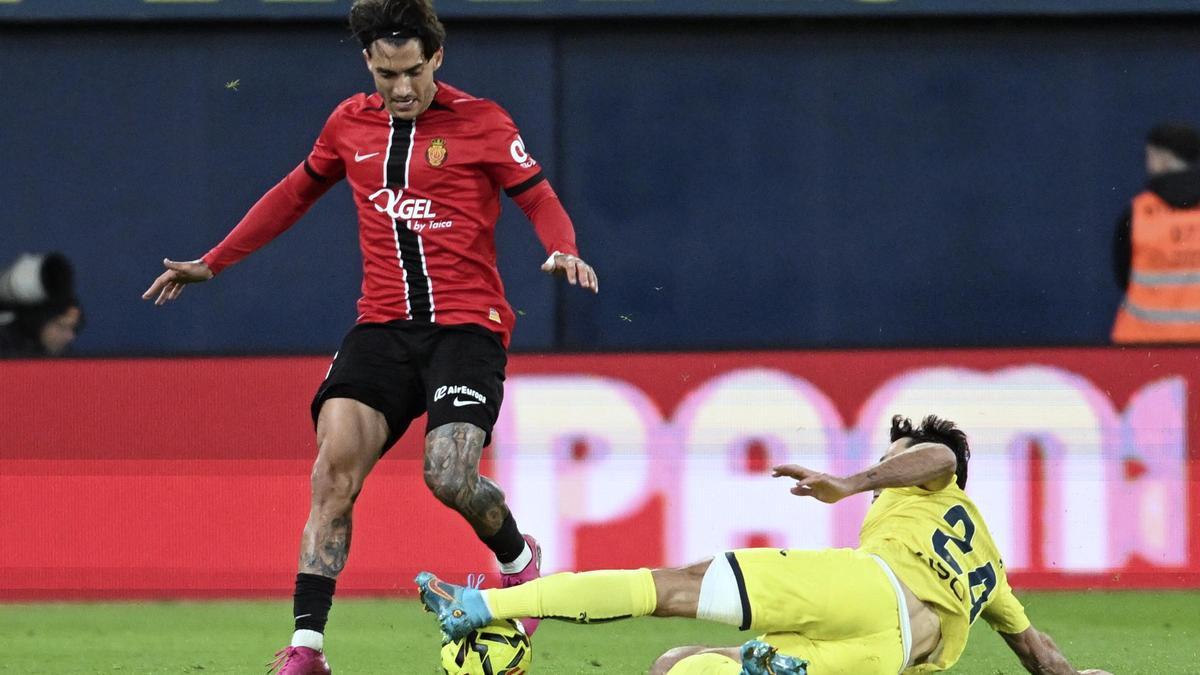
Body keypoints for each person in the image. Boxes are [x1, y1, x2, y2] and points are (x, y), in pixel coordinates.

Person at [141, 1, 598, 672]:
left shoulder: (483, 123)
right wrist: (216, 259)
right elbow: (294, 192)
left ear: (436, 58)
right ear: (369, 65)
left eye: (413, 71)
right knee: (332, 472)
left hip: (467, 327)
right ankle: (306, 649)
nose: (403, 88)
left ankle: (517, 559)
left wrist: (562, 245)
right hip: (381, 327)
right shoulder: (348, 125)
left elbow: (535, 195)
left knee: (448, 474)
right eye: (387, 74)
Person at [417, 415, 1112, 675]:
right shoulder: (992, 569)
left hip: (867, 586)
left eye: (892, 455)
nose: (888, 468)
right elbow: (1040, 655)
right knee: (674, 665)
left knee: (670, 588)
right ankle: (770, 670)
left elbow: (934, 452)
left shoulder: (929, 480)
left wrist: (852, 480)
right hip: (888, 657)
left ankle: (489, 604)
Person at [1112, 122, 1200, 343]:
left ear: (1163, 158)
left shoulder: (1137, 213)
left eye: (1150, 156)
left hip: (1143, 345)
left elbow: (1123, 275)